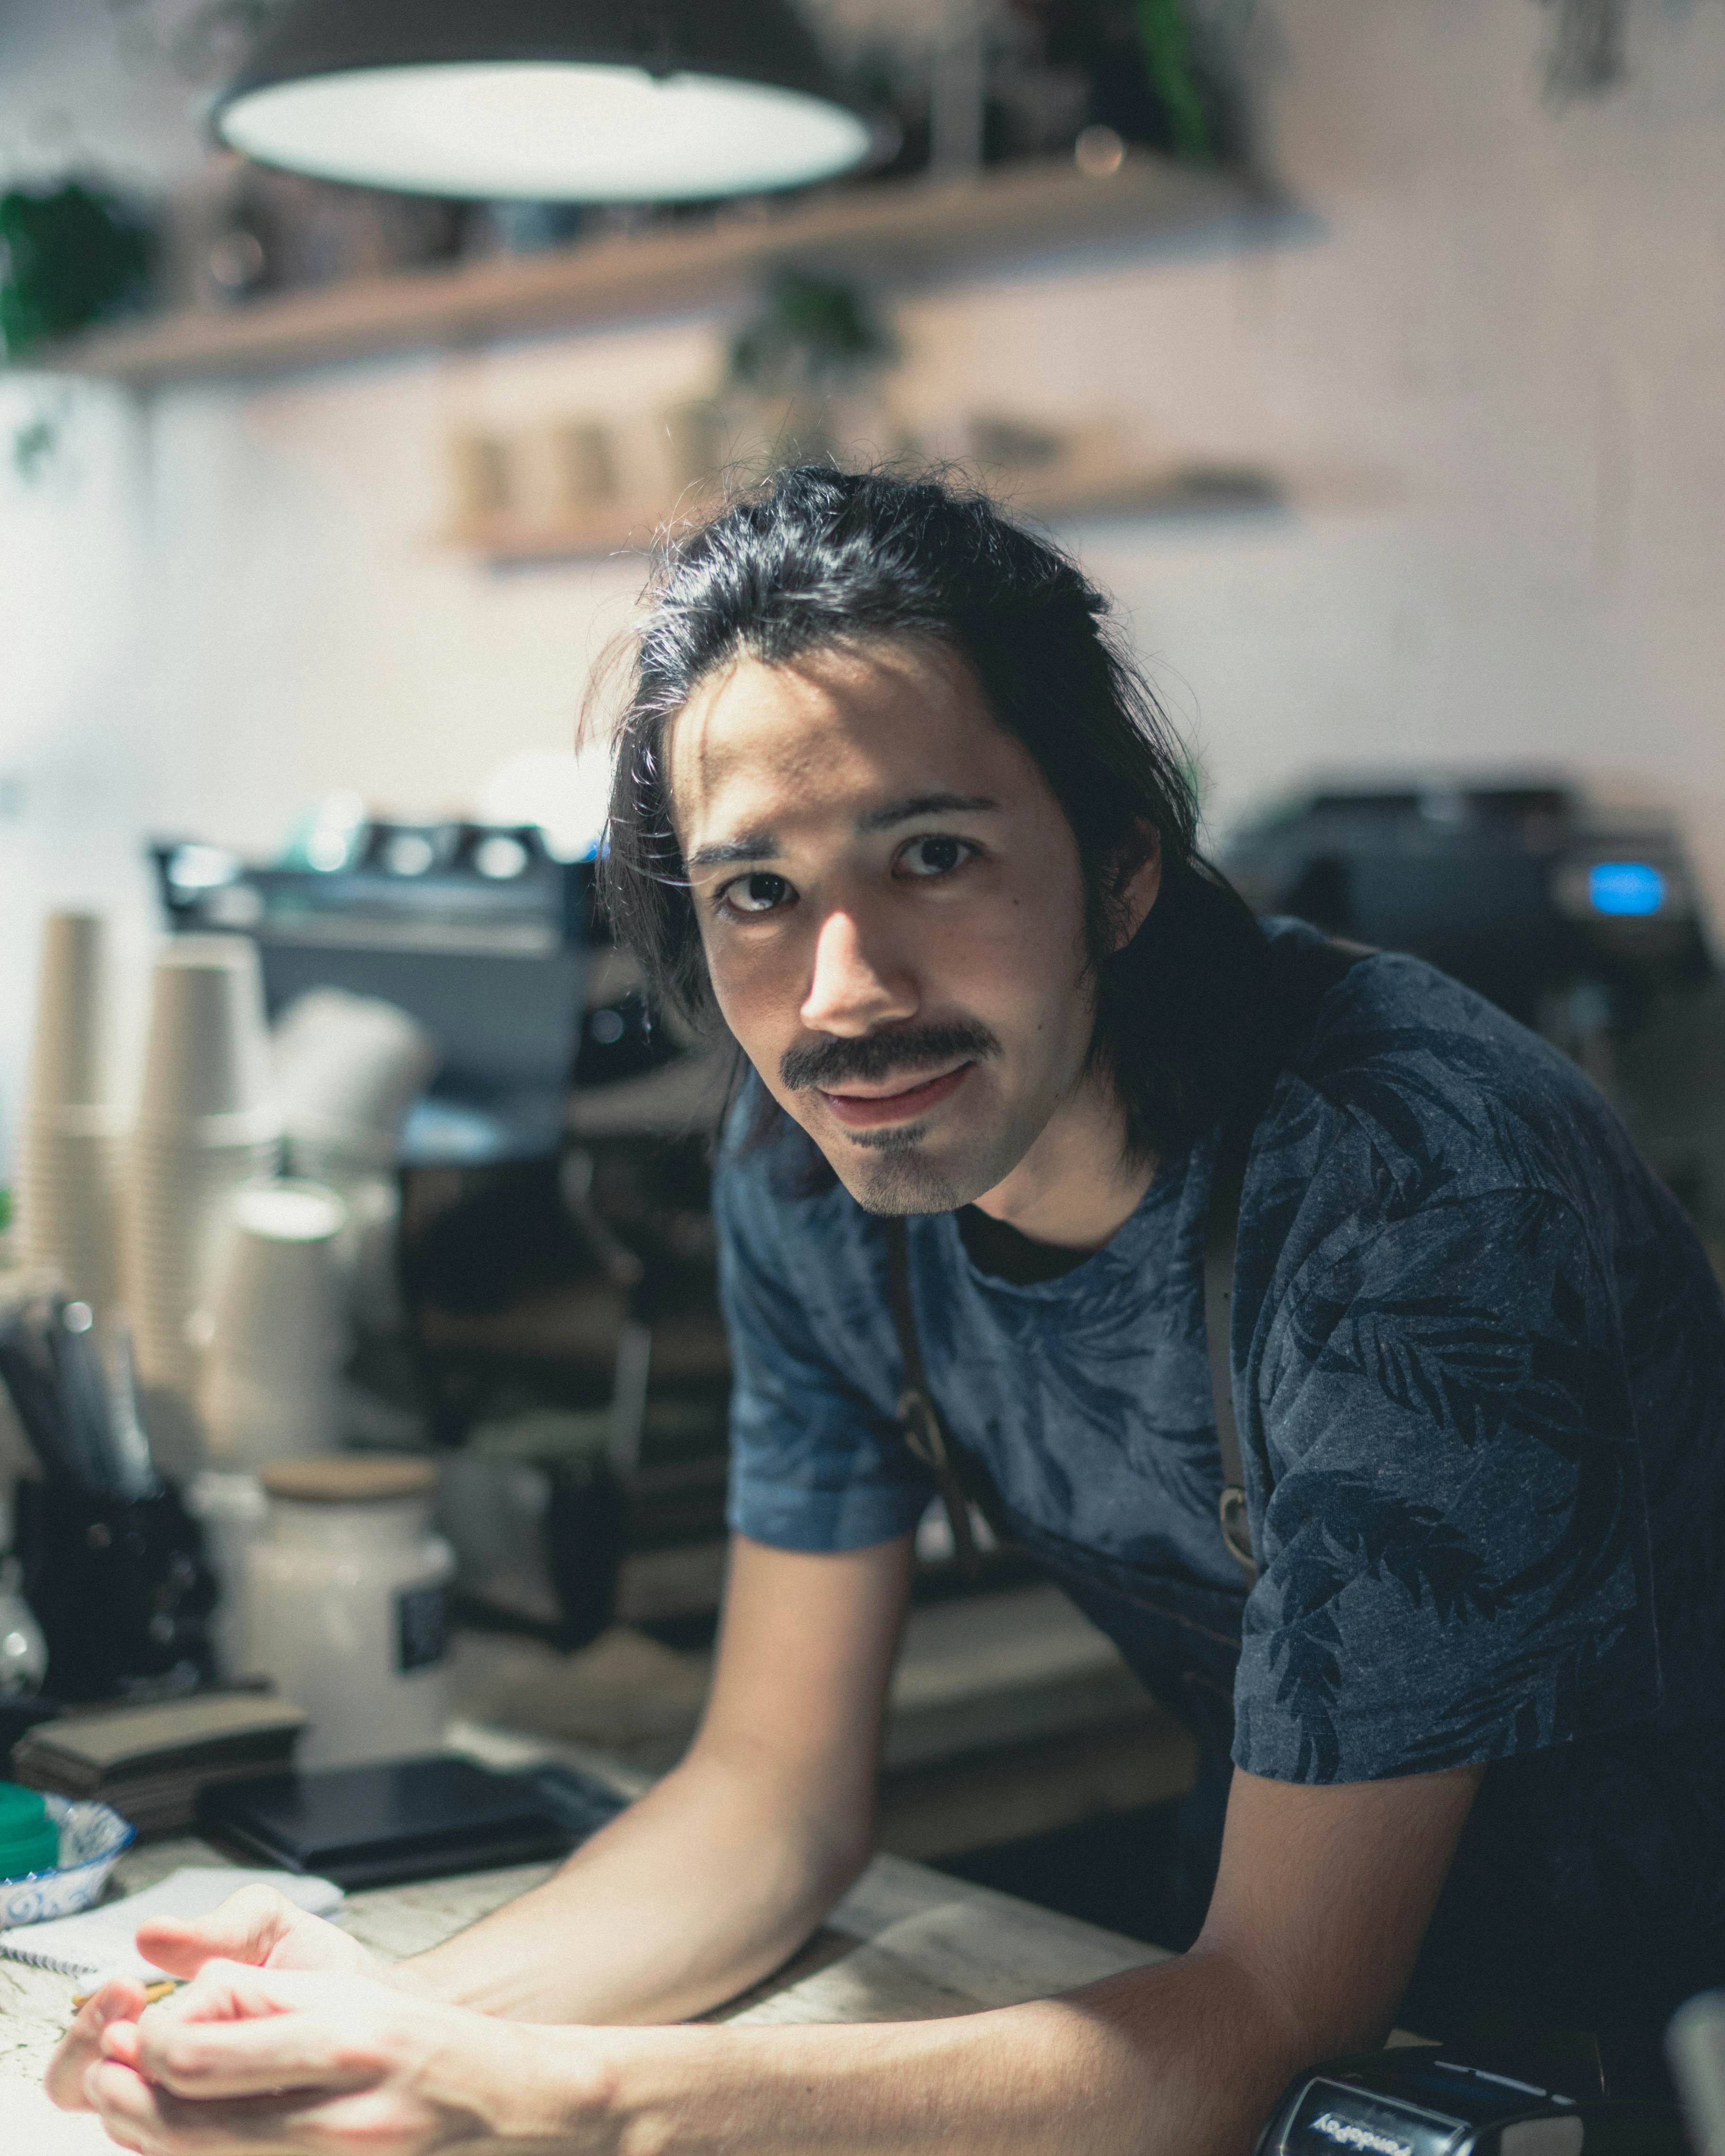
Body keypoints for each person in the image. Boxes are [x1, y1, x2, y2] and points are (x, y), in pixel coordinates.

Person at [51, 468, 1725, 2155]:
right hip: (1275, 2016)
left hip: (1651, 2041)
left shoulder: (1404, 1187)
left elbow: (1276, 2013)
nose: (845, 994)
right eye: (757, 893)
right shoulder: (808, 1181)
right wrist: (385, 2029)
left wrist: (557, 2099)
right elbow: (767, 1803)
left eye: (934, 857)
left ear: (1122, 867)